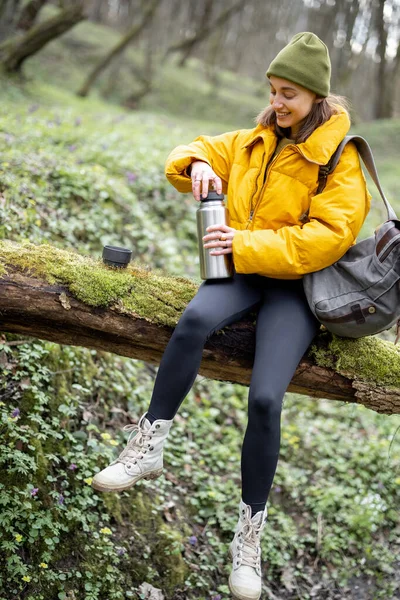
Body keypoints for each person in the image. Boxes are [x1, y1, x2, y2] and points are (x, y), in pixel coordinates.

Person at [92, 32, 371, 600]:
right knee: (193, 320)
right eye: (272, 90)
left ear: (317, 96)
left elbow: (325, 240)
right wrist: (195, 165)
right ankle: (148, 446)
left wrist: (241, 242)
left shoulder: (340, 160)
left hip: (298, 288)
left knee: (266, 398)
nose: (277, 102)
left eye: (288, 93)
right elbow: (190, 149)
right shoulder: (254, 140)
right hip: (241, 270)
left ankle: (248, 542)